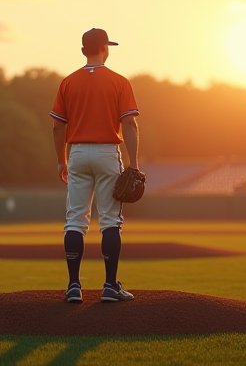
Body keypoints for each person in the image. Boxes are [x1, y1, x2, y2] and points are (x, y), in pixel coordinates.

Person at [50, 28, 140, 303]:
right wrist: (133, 164)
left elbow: (57, 127)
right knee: (110, 220)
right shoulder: (119, 81)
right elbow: (130, 124)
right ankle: (110, 286)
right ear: (105, 49)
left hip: (76, 153)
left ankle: (74, 286)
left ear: (82, 50)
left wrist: (61, 161)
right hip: (106, 152)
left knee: (75, 221)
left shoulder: (68, 82)